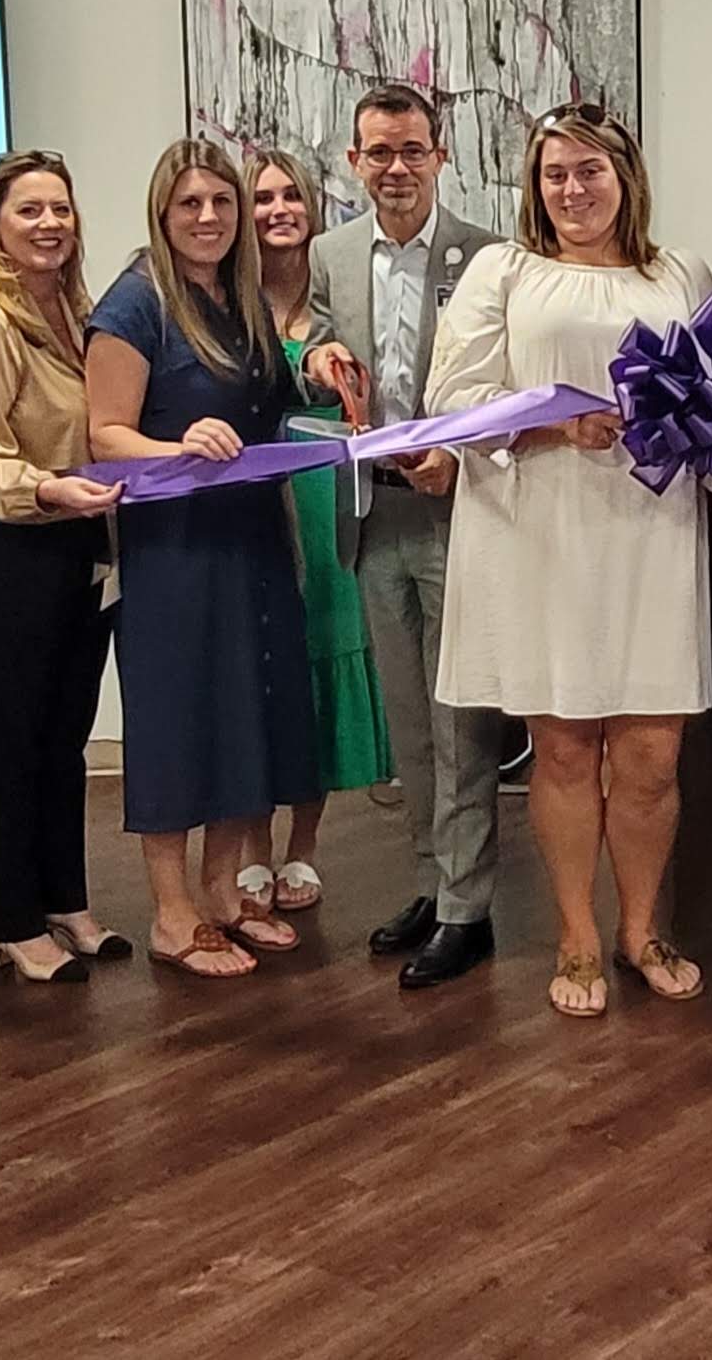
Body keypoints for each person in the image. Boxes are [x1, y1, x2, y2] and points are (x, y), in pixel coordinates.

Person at [424, 102, 712, 1017]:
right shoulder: (502, 271)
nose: (571, 189)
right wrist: (557, 423)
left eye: (589, 170)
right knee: (562, 747)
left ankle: (641, 928)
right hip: (542, 531)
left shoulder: (680, 273)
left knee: (651, 753)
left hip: (652, 530)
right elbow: (454, 400)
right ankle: (577, 936)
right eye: (554, 173)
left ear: (625, 176)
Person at [87, 140, 317, 978]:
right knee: (176, 719)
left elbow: (275, 401)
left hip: (251, 536)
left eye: (222, 202)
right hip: (173, 550)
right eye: (190, 203)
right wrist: (177, 446)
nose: (209, 218)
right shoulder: (134, 303)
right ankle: (171, 911)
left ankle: (222, 890)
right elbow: (104, 434)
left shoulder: (240, 296)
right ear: (162, 213)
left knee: (245, 708)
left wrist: (321, 368)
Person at [299, 83, 506, 990]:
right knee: (409, 725)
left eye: (411, 150)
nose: (394, 168)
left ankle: (468, 908)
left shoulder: (487, 255)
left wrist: (455, 458)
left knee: (461, 723)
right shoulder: (331, 253)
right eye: (378, 152)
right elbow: (311, 337)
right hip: (371, 512)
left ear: (438, 156)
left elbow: (503, 382)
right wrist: (314, 355)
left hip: (454, 512)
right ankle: (432, 881)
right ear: (354, 161)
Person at [0, 150, 127, 984]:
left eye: (60, 209)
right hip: (7, 552)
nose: (49, 224)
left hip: (79, 548)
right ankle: (11, 922)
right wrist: (48, 489)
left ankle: (64, 900)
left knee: (63, 740)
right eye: (29, 210)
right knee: (11, 746)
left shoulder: (76, 312)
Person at [237, 149, 392, 914]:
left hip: (328, 500)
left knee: (319, 661)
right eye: (261, 198)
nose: (278, 210)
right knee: (258, 669)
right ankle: (248, 847)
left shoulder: (339, 293)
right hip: (251, 506)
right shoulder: (226, 300)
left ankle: (303, 845)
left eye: (290, 195)